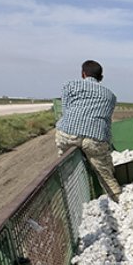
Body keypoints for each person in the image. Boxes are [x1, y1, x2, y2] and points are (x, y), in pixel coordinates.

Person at [55, 60, 122, 202]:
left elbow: (66, 110)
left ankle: (67, 195)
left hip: (68, 133)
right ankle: (119, 199)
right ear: (101, 77)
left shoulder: (70, 85)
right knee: (105, 173)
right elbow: (106, 121)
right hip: (95, 137)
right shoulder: (111, 96)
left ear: (83, 74)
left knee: (65, 165)